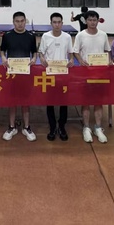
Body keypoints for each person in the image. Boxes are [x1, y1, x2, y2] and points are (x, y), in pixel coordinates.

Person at [72, 10, 111, 144]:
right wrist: (81, 61)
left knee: (98, 101)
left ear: (98, 21)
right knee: (86, 101)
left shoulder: (103, 35)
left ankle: (98, 127)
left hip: (100, 73)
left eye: (95, 20)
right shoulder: (80, 35)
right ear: (86, 21)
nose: (92, 22)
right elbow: (75, 51)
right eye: (90, 20)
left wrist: (108, 60)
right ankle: (86, 127)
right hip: (85, 72)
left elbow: (107, 50)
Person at [0, 11, 38, 142]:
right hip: (12, 72)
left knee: (25, 101)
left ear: (25, 21)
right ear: (13, 22)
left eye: (22, 21)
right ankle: (12, 127)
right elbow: (2, 50)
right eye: (17, 21)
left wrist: (34, 58)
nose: (20, 24)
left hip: (25, 72)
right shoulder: (7, 35)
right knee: (12, 101)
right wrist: (3, 58)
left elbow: (34, 52)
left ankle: (26, 127)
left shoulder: (31, 36)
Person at [38, 12, 73, 142]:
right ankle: (52, 127)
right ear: (51, 23)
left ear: (62, 23)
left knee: (64, 102)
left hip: (63, 73)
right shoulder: (45, 36)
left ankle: (62, 127)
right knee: (50, 102)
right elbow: (41, 52)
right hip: (50, 73)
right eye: (54, 22)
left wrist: (71, 60)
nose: (57, 24)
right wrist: (42, 58)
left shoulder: (67, 37)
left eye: (59, 22)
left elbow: (70, 53)